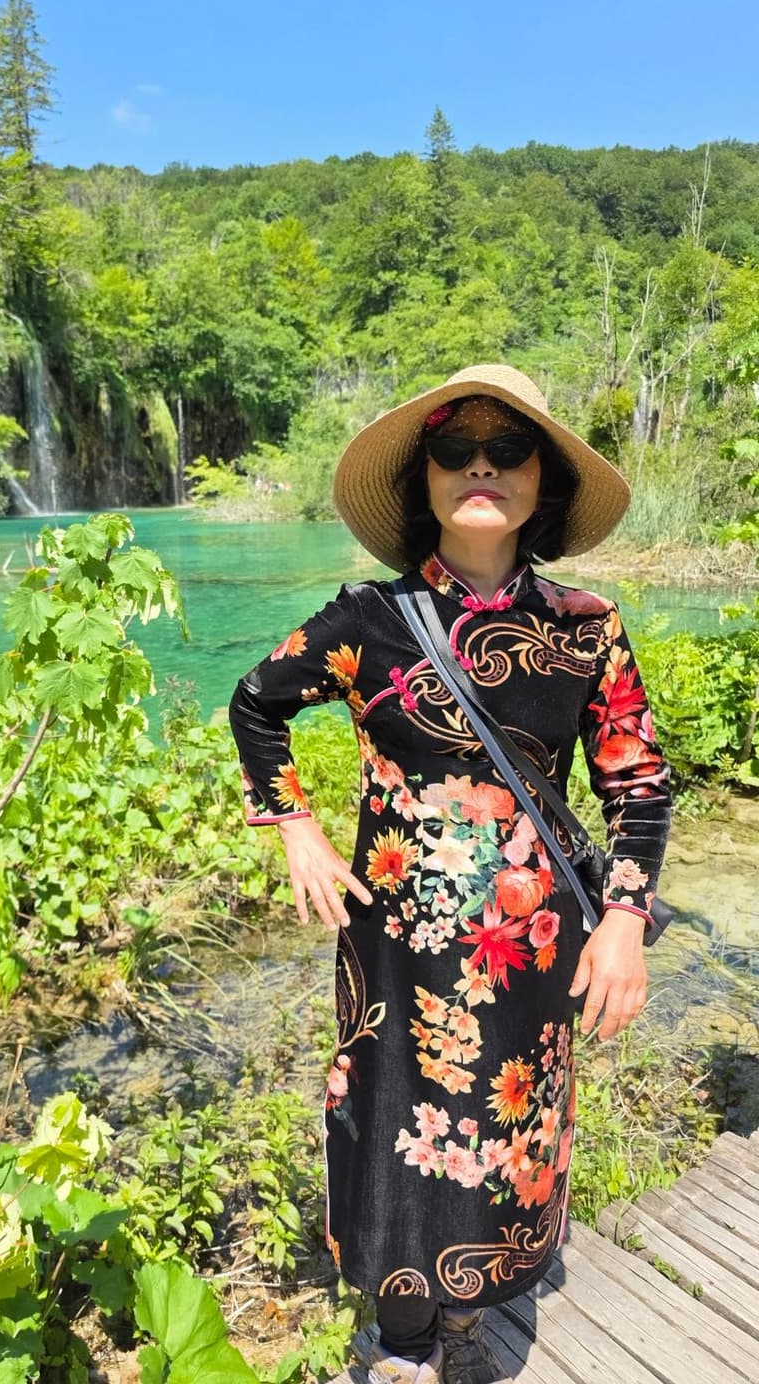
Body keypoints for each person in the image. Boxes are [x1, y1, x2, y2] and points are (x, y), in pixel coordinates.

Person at [227, 364, 671, 1384]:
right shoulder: (364, 622)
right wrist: (292, 824)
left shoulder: (585, 628)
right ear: (422, 480)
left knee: (504, 1131)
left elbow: (638, 784)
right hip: (390, 947)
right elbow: (256, 703)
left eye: (509, 448)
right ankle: (403, 1332)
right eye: (455, 448)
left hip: (532, 949)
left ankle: (468, 1316)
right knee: (393, 1131)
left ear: (542, 483)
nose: (482, 465)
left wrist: (624, 920)